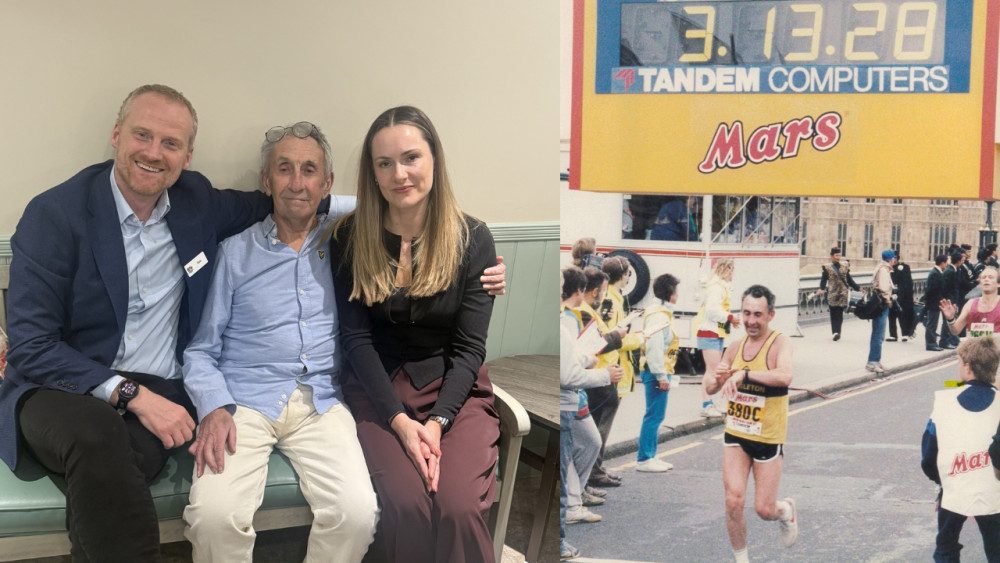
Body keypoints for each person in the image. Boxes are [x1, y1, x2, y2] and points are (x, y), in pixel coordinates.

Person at [0, 84, 280, 560]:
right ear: (117, 135)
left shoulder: (197, 201)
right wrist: (132, 396)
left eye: (170, 143)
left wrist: (372, 208)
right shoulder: (56, 214)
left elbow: (284, 199)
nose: (153, 153)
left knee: (109, 465)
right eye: (142, 135)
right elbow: (32, 346)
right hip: (61, 387)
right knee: (97, 436)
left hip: (163, 389)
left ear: (186, 157)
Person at [180, 122, 378, 561]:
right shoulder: (235, 252)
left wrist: (482, 269)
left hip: (321, 402)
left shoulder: (345, 242)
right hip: (243, 403)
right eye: (284, 169)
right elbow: (200, 350)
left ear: (327, 183)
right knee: (213, 517)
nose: (297, 183)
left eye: (310, 171)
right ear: (266, 181)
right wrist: (213, 406)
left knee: (357, 514)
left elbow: (393, 205)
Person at [329, 106, 500, 562]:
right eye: (384, 163)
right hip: (378, 391)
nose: (399, 174)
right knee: (407, 506)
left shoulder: (472, 237)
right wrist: (401, 424)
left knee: (458, 506)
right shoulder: (349, 237)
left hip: (454, 391)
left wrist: (438, 423)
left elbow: (469, 348)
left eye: (411, 158)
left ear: (434, 159)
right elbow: (356, 340)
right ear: (372, 173)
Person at [705, 284, 797, 563]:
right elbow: (709, 387)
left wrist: (745, 374)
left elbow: (785, 376)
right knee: (733, 500)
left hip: (767, 436)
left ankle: (786, 511)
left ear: (770, 315)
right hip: (736, 432)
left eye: (758, 314)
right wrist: (720, 377)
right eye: (746, 313)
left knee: (764, 510)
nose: (751, 321)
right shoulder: (735, 346)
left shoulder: (779, 342)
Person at [922, 337, 1000, 562]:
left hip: (954, 487)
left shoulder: (945, 401)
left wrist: (941, 482)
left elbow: (928, 455)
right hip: (994, 491)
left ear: (967, 367)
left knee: (946, 545)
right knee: (996, 548)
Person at [559, 267, 623, 537]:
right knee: (565, 457)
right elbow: (567, 375)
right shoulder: (568, 320)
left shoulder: (566, 319)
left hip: (575, 397)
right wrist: (604, 375)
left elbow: (571, 358)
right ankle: (570, 507)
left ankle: (575, 498)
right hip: (567, 398)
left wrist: (587, 359)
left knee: (590, 443)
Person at [575, 264, 636, 489]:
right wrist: (621, 335)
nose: (604, 295)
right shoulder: (584, 312)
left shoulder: (591, 310)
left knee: (592, 436)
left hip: (602, 376)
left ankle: (588, 481)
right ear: (594, 292)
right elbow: (597, 344)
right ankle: (587, 481)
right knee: (593, 436)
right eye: (602, 291)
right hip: (597, 378)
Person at [636, 273, 680, 473]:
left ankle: (651, 455)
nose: (678, 295)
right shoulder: (659, 316)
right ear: (670, 293)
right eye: (676, 291)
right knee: (654, 415)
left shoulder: (661, 312)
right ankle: (645, 459)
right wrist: (661, 376)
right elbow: (654, 347)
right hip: (656, 372)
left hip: (659, 370)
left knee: (656, 415)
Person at [695, 259, 741, 418]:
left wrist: (729, 319)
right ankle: (707, 404)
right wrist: (730, 317)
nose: (733, 275)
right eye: (732, 270)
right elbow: (712, 310)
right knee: (713, 371)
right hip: (709, 332)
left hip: (715, 332)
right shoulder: (716, 288)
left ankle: (711, 403)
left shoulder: (719, 287)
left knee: (713, 370)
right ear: (728, 270)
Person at [941, 267, 1000, 339]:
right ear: (980, 283)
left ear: (998, 284)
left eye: (990, 277)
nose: (986, 279)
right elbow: (955, 331)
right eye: (983, 277)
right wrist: (950, 319)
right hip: (974, 346)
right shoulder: (970, 303)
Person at [816, 247, 860, 342]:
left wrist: (858, 288)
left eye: (839, 255)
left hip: (842, 293)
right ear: (831, 256)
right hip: (832, 293)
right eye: (836, 255)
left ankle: (837, 332)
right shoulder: (827, 267)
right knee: (833, 313)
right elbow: (823, 280)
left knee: (839, 313)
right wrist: (821, 289)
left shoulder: (845, 266)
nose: (838, 257)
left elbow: (849, 279)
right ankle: (835, 332)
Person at [866, 250, 895, 374]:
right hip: (882, 305)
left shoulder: (882, 268)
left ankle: (876, 360)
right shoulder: (883, 270)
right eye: (893, 258)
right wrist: (888, 300)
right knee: (878, 334)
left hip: (880, 304)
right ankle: (872, 362)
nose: (894, 260)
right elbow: (883, 288)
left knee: (879, 334)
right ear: (891, 259)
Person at [888, 252, 916, 342]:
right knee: (891, 315)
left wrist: (901, 295)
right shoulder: (888, 268)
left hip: (902, 296)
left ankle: (905, 334)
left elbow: (908, 283)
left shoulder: (905, 268)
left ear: (897, 258)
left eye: (893, 258)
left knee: (902, 315)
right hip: (891, 294)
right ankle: (893, 335)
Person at [926, 254, 950, 352]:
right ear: (942, 263)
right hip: (933, 303)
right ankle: (930, 344)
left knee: (933, 323)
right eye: (946, 263)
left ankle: (933, 343)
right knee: (932, 324)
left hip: (935, 302)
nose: (947, 265)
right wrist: (941, 299)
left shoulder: (937, 272)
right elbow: (933, 290)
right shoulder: (935, 274)